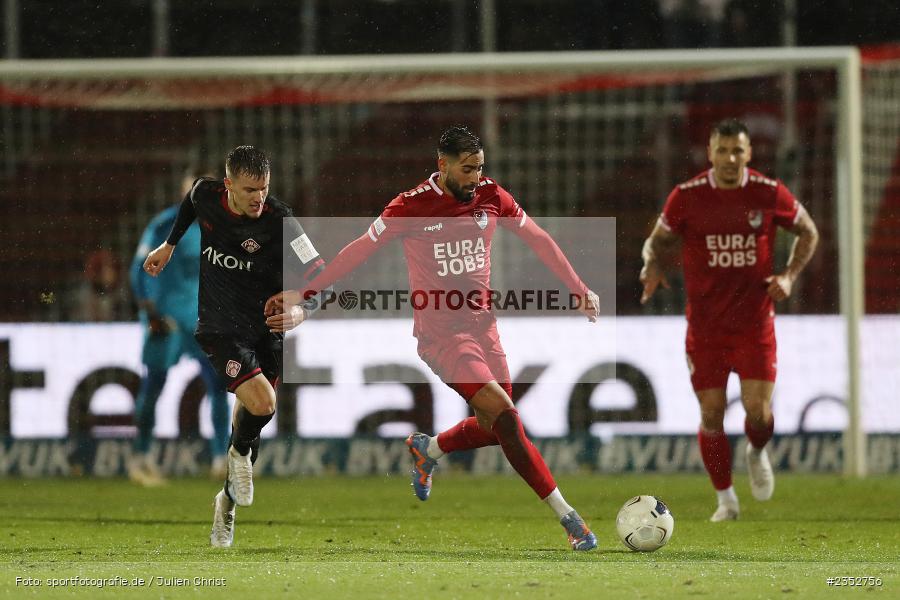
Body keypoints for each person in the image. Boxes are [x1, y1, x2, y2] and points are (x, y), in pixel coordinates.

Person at [265, 126, 601, 551]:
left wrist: (577, 287)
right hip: (442, 336)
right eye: (467, 169)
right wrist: (306, 292)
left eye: (479, 168)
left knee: (496, 426)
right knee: (506, 417)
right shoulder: (410, 206)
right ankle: (570, 520)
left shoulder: (492, 196)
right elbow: (358, 251)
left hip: (485, 328)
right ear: (442, 165)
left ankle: (431, 449)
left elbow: (538, 237)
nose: (475, 177)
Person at [142, 147, 323, 548]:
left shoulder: (281, 220)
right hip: (219, 327)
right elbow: (191, 202)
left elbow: (321, 275)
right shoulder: (206, 195)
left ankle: (225, 505)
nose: (259, 197)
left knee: (251, 420)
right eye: (250, 190)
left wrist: (302, 309)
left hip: (266, 331)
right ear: (228, 186)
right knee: (263, 403)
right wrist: (170, 245)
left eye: (264, 188)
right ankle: (238, 459)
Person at [639, 118, 819, 522]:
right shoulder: (686, 198)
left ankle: (756, 451)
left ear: (749, 154)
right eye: (722, 150)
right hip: (706, 329)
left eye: (738, 150)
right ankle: (726, 500)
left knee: (758, 411)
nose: (730, 158)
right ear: (710, 153)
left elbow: (808, 232)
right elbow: (658, 241)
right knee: (711, 413)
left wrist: (788, 276)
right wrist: (650, 266)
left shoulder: (769, 193)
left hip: (755, 324)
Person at [128, 169, 231, 486]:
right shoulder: (164, 224)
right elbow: (137, 271)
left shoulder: (223, 228)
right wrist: (150, 311)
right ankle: (141, 459)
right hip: (167, 321)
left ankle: (219, 460)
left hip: (203, 321)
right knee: (154, 387)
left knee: (218, 388)